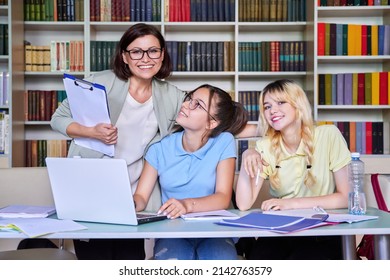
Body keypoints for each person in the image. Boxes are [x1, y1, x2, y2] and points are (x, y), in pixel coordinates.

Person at [51, 23, 186, 260]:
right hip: (92, 186)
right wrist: (91, 131)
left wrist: (263, 132)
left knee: (130, 260)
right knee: (96, 260)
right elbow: (58, 119)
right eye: (136, 51)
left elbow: (205, 118)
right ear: (124, 56)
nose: (146, 58)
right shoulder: (101, 81)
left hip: (134, 192)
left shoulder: (171, 95)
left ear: (162, 54)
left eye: (153, 51)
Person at [235, 79, 351, 260]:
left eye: (280, 102)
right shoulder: (265, 146)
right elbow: (243, 203)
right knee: (260, 260)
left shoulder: (329, 135)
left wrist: (291, 204)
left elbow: (345, 197)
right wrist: (246, 156)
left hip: (321, 231)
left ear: (298, 105)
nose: (272, 110)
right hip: (280, 231)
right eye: (267, 106)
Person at [133, 84, 248, 260]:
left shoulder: (224, 141)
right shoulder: (159, 148)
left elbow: (223, 197)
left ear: (212, 123)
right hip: (172, 230)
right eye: (189, 99)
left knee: (220, 261)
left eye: (197, 104)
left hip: (214, 229)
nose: (185, 105)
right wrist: (127, 204)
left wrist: (186, 205)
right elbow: (141, 197)